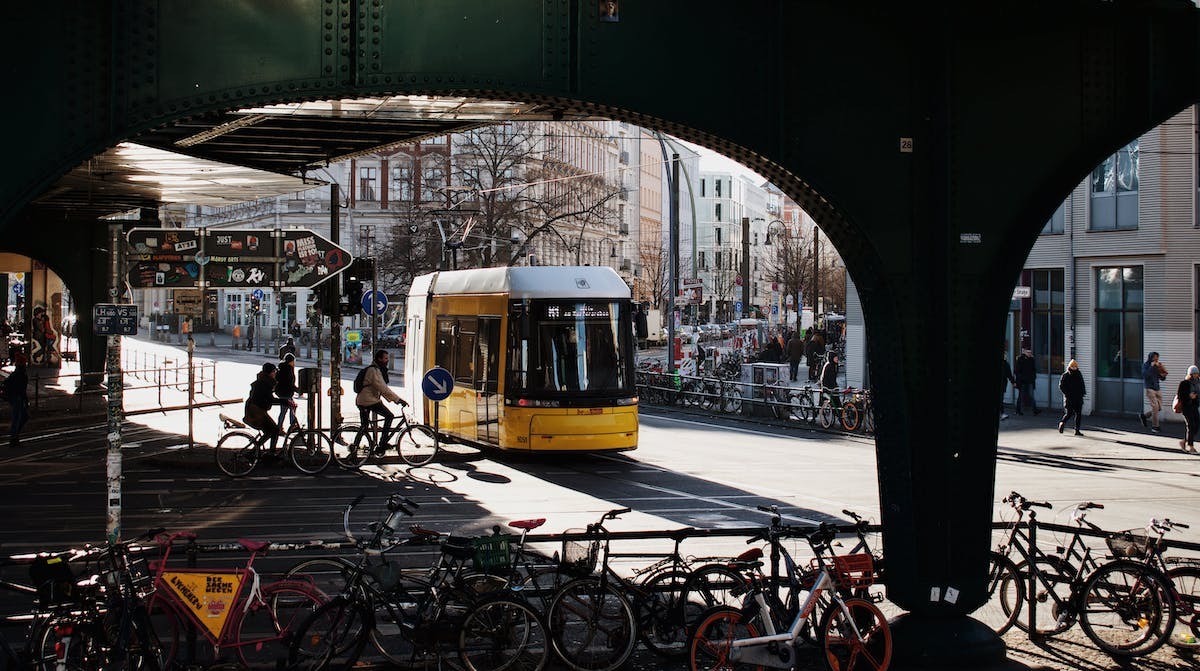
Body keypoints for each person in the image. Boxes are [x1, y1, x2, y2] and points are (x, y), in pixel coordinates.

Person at [355, 349, 407, 455]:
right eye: (385, 358)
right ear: (379, 359)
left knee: (364, 426)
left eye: (388, 358)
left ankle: (355, 449)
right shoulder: (374, 371)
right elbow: (383, 388)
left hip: (366, 400)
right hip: (368, 400)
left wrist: (394, 399)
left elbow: (381, 389)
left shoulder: (377, 369)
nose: (387, 361)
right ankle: (382, 444)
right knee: (389, 416)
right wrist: (398, 400)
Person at [244, 362, 283, 452]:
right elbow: (270, 399)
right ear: (270, 373)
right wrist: (285, 401)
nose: (275, 373)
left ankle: (256, 451)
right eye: (274, 371)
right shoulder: (265, 383)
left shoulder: (263, 381)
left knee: (269, 432)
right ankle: (268, 453)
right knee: (275, 430)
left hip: (255, 410)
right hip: (257, 412)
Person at [4, 354, 29, 447]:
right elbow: (22, 389)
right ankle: (14, 437)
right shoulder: (21, 374)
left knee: (19, 417)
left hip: (14, 397)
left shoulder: (16, 373)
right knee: (18, 417)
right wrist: (25, 400)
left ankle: (14, 436)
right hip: (17, 397)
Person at [1058, 359, 1086, 436]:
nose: (1074, 368)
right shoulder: (1066, 375)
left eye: (1075, 367)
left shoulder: (1079, 374)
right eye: (1073, 367)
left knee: (1078, 414)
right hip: (1069, 398)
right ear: (1070, 367)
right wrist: (1067, 393)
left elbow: (1082, 384)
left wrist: (1082, 393)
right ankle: (1062, 423)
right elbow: (1061, 386)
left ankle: (1077, 430)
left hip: (1078, 397)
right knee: (1069, 413)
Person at [1140, 351, 1167, 433]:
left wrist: (1163, 375)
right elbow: (1145, 375)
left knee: (1159, 408)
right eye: (1154, 357)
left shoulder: (1157, 365)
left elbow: (1161, 378)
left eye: (1157, 357)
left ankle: (1144, 416)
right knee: (1155, 407)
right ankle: (1155, 426)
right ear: (1150, 357)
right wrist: (1151, 367)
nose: (1156, 359)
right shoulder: (1146, 365)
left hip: (1157, 388)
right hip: (1149, 388)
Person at [1178, 365, 1200, 453]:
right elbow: (1180, 395)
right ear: (1190, 374)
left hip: (1194, 406)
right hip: (1186, 406)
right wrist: (1189, 396)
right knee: (1191, 425)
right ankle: (1191, 446)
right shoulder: (1184, 383)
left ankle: (1184, 441)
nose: (1195, 375)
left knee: (1197, 425)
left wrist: (1196, 397)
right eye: (1193, 374)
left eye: (1196, 373)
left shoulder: (1198, 382)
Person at [275, 353, 299, 431]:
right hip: (286, 392)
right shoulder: (288, 370)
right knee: (288, 409)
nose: (294, 363)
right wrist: (297, 390)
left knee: (287, 409)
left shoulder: (281, 368)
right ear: (291, 361)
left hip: (281, 392)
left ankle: (287, 425)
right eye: (293, 361)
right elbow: (289, 383)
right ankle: (289, 426)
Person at [1014, 349, 1040, 416]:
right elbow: (1017, 371)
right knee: (1021, 396)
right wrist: (1020, 379)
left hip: (1029, 381)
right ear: (1024, 352)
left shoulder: (1031, 359)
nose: (1029, 353)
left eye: (1030, 352)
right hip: (1022, 381)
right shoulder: (1020, 359)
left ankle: (1035, 410)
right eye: (1028, 352)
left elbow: (1033, 370)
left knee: (1031, 395)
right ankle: (1018, 410)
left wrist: (1033, 377)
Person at [1001, 350, 1016, 421]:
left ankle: (1002, 413)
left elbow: (1009, 375)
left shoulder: (1006, 364)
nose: (1005, 356)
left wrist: (1013, 382)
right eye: (1004, 355)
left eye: (1005, 355)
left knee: (1000, 399)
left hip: (1003, 384)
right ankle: (1002, 413)